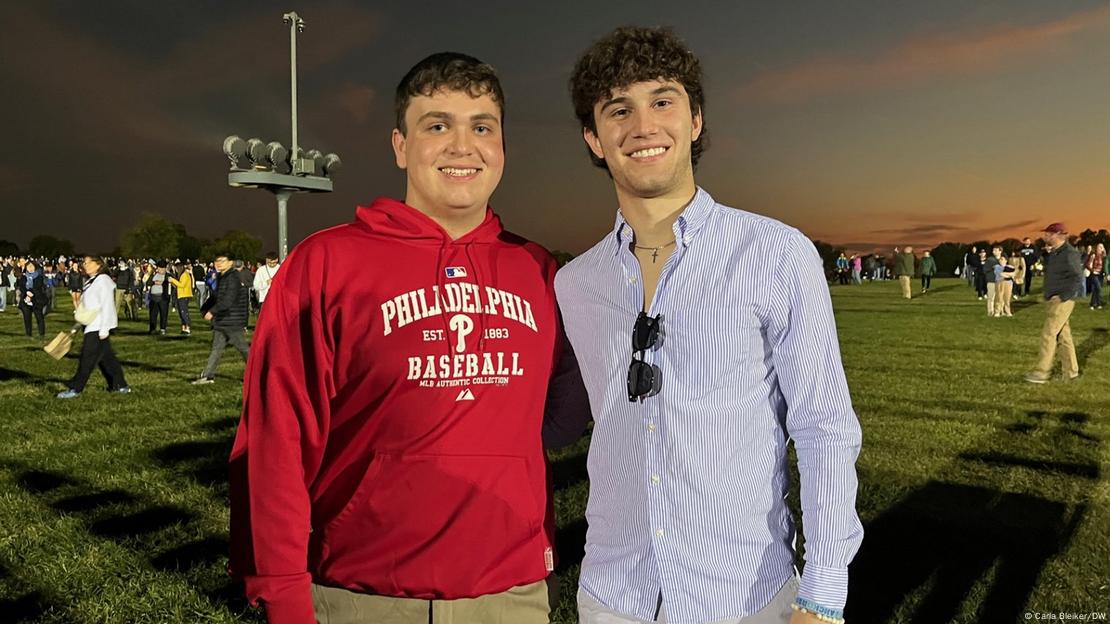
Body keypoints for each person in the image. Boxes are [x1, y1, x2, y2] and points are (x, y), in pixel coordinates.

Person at [228, 52, 586, 624]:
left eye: (482, 127)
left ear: (503, 148)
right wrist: (282, 593)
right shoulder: (327, 263)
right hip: (360, 594)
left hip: (509, 594)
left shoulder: (538, 269)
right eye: (437, 125)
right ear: (400, 145)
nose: (462, 146)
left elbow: (568, 407)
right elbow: (275, 442)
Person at [557, 26, 861, 624]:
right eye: (620, 110)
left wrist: (823, 594)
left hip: (742, 594)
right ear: (595, 138)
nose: (644, 127)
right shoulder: (577, 284)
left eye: (662, 101)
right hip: (613, 594)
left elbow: (823, 426)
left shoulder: (775, 253)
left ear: (695, 120)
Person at [57, 256, 130, 398]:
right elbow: (87, 307)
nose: (85, 265)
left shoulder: (103, 281)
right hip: (91, 325)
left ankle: (76, 388)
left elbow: (107, 305)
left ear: (98, 265)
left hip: (98, 327)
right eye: (84, 262)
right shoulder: (91, 281)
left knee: (87, 358)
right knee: (107, 359)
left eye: (88, 262)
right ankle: (120, 385)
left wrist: (105, 329)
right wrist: (78, 325)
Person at [1025, 223, 1084, 384]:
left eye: (1048, 234)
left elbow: (1077, 278)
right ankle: (1071, 372)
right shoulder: (1055, 253)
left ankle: (1042, 372)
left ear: (1057, 235)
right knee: (1064, 337)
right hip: (1052, 299)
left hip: (1062, 300)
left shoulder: (1069, 254)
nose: (1045, 236)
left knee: (1048, 334)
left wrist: (1063, 296)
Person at [192, 254, 249, 384]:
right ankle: (207, 375)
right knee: (217, 348)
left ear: (230, 263)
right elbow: (216, 296)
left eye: (222, 261)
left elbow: (228, 300)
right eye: (217, 260)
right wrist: (205, 308)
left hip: (232, 320)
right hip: (223, 320)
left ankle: (258, 373)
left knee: (243, 349)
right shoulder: (223, 277)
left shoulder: (233, 278)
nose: (219, 263)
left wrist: (212, 311)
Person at [18, 260, 48, 338]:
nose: (30, 268)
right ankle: (28, 334)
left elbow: (38, 286)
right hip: (26, 300)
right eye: (28, 266)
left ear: (35, 267)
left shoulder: (39, 277)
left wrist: (31, 294)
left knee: (39, 317)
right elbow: (21, 287)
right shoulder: (23, 277)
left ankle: (42, 333)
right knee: (27, 318)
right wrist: (26, 293)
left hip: (37, 300)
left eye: (32, 266)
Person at [168, 262, 193, 335]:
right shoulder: (181, 275)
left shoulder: (185, 275)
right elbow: (177, 285)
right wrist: (173, 282)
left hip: (184, 295)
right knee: (181, 312)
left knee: (184, 312)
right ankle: (183, 327)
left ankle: (187, 327)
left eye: (176, 268)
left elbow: (182, 285)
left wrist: (173, 280)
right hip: (180, 295)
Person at [1086, 242, 1105, 310]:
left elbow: (1103, 266)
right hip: (1094, 274)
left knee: (1096, 290)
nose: (1100, 248)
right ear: (1097, 248)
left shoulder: (1102, 256)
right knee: (1099, 288)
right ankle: (1097, 303)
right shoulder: (1093, 255)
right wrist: (1092, 270)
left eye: (1101, 247)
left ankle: (1094, 304)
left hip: (1100, 275)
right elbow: (1088, 264)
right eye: (1099, 247)